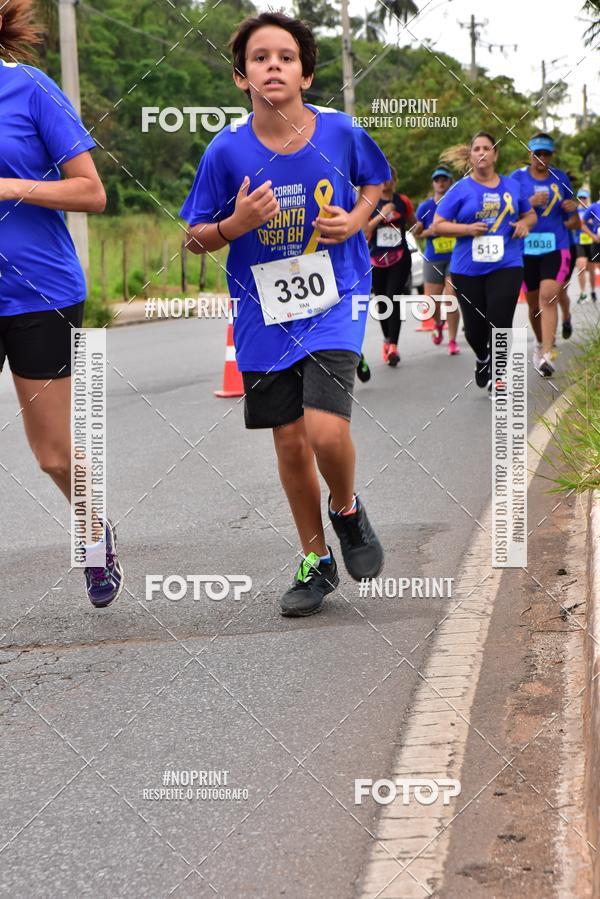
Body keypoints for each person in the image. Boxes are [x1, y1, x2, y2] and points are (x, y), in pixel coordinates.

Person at [181, 12, 387, 617]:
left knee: (325, 430)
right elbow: (194, 237)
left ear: (306, 74)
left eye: (286, 57)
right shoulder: (225, 150)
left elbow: (376, 182)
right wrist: (234, 224)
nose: (273, 65)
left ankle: (346, 508)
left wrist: (356, 219)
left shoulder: (341, 131)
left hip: (335, 297)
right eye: (260, 57)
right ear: (241, 77)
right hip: (261, 313)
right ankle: (315, 560)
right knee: (292, 443)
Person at [0, 0, 122, 607]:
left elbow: (91, 193)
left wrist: (7, 186)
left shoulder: (29, 89)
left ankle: (94, 532)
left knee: (52, 454)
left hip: (37, 292)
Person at [433, 131, 536, 393]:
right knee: (474, 331)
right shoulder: (460, 189)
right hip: (467, 268)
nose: (481, 152)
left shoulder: (512, 186)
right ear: (470, 156)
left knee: (500, 321)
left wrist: (524, 224)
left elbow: (530, 215)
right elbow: (438, 224)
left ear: (495, 154)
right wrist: (466, 229)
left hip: (507, 263)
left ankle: (498, 377)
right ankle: (482, 358)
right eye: (476, 148)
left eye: (486, 148)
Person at [510, 134, 579, 377]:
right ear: (529, 154)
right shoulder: (517, 178)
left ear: (551, 155)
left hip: (556, 246)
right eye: (537, 154)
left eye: (546, 154)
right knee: (533, 304)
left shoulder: (561, 178)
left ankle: (549, 354)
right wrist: (529, 201)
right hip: (525, 249)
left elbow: (574, 222)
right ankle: (540, 344)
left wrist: (572, 209)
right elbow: (507, 212)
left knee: (548, 297)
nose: (541, 158)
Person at [363, 168, 414, 367]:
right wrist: (382, 215)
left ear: (394, 179)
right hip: (376, 258)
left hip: (400, 256)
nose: (385, 181)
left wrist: (419, 228)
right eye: (381, 177)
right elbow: (364, 230)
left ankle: (394, 346)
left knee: (394, 298)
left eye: (389, 177)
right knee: (382, 301)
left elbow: (414, 223)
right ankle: (387, 338)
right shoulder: (370, 202)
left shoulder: (403, 201)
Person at [414, 165, 461, 355]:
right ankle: (439, 322)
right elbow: (417, 232)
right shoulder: (425, 207)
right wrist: (430, 231)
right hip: (433, 258)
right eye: (437, 180)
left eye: (444, 179)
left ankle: (452, 341)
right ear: (433, 183)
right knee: (431, 303)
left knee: (451, 299)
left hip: (455, 257)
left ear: (450, 182)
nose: (440, 183)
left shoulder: (457, 203)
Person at [575, 188, 598, 303]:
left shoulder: (592, 209)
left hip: (592, 241)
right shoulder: (575, 211)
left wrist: (592, 222)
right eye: (580, 197)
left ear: (588, 198)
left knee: (591, 269)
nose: (582, 199)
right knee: (581, 267)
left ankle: (593, 291)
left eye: (584, 197)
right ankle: (583, 293)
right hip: (579, 242)